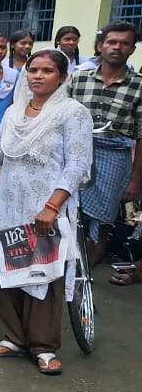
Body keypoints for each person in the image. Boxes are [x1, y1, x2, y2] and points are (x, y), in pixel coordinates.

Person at [0, 49, 92, 375]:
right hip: (11, 203)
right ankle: (13, 338)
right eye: (33, 70)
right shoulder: (14, 112)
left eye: (47, 71)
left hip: (47, 204)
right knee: (10, 269)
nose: (37, 76)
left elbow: (78, 165)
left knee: (45, 272)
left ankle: (44, 347)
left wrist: (53, 205)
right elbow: (3, 157)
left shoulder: (72, 113)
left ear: (62, 77)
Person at [66, 20, 142, 274]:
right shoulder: (78, 79)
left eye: (124, 43)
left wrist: (135, 181)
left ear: (132, 49)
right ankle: (63, 280)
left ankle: (81, 281)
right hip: (75, 155)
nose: (117, 47)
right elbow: (60, 120)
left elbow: (141, 136)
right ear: (100, 46)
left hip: (115, 159)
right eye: (111, 42)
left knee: (101, 225)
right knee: (67, 219)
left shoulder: (139, 85)